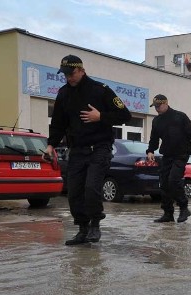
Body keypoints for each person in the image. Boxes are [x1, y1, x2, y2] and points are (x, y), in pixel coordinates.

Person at [44, 54, 132, 245]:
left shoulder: (100, 90)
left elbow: (125, 115)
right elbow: (58, 123)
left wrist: (101, 117)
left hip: (99, 148)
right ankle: (82, 230)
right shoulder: (63, 94)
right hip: (77, 149)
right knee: (74, 192)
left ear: (82, 70)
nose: (69, 77)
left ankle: (95, 224)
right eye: (65, 74)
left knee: (91, 188)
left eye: (72, 73)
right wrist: (50, 144)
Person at [146, 94, 191, 223]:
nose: (157, 109)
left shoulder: (180, 116)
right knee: (164, 183)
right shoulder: (156, 121)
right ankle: (168, 213)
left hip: (182, 154)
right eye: (155, 107)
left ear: (166, 103)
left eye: (159, 106)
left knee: (173, 180)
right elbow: (154, 139)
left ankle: (184, 208)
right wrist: (150, 151)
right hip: (167, 154)